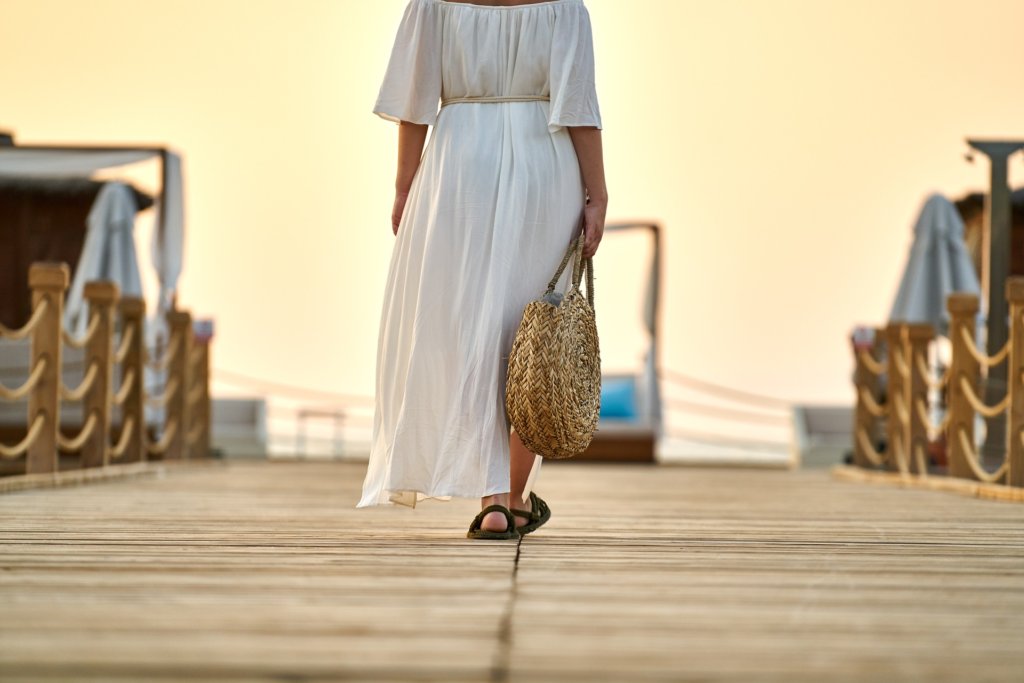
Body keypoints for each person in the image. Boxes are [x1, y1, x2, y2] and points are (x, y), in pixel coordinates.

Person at [358, 0, 607, 541]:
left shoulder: (432, 5)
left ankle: (493, 498)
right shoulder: (564, 7)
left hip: (457, 163)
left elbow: (414, 102)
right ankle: (514, 497)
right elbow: (579, 105)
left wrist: (404, 186)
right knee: (531, 334)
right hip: (545, 161)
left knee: (470, 326)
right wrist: (598, 192)